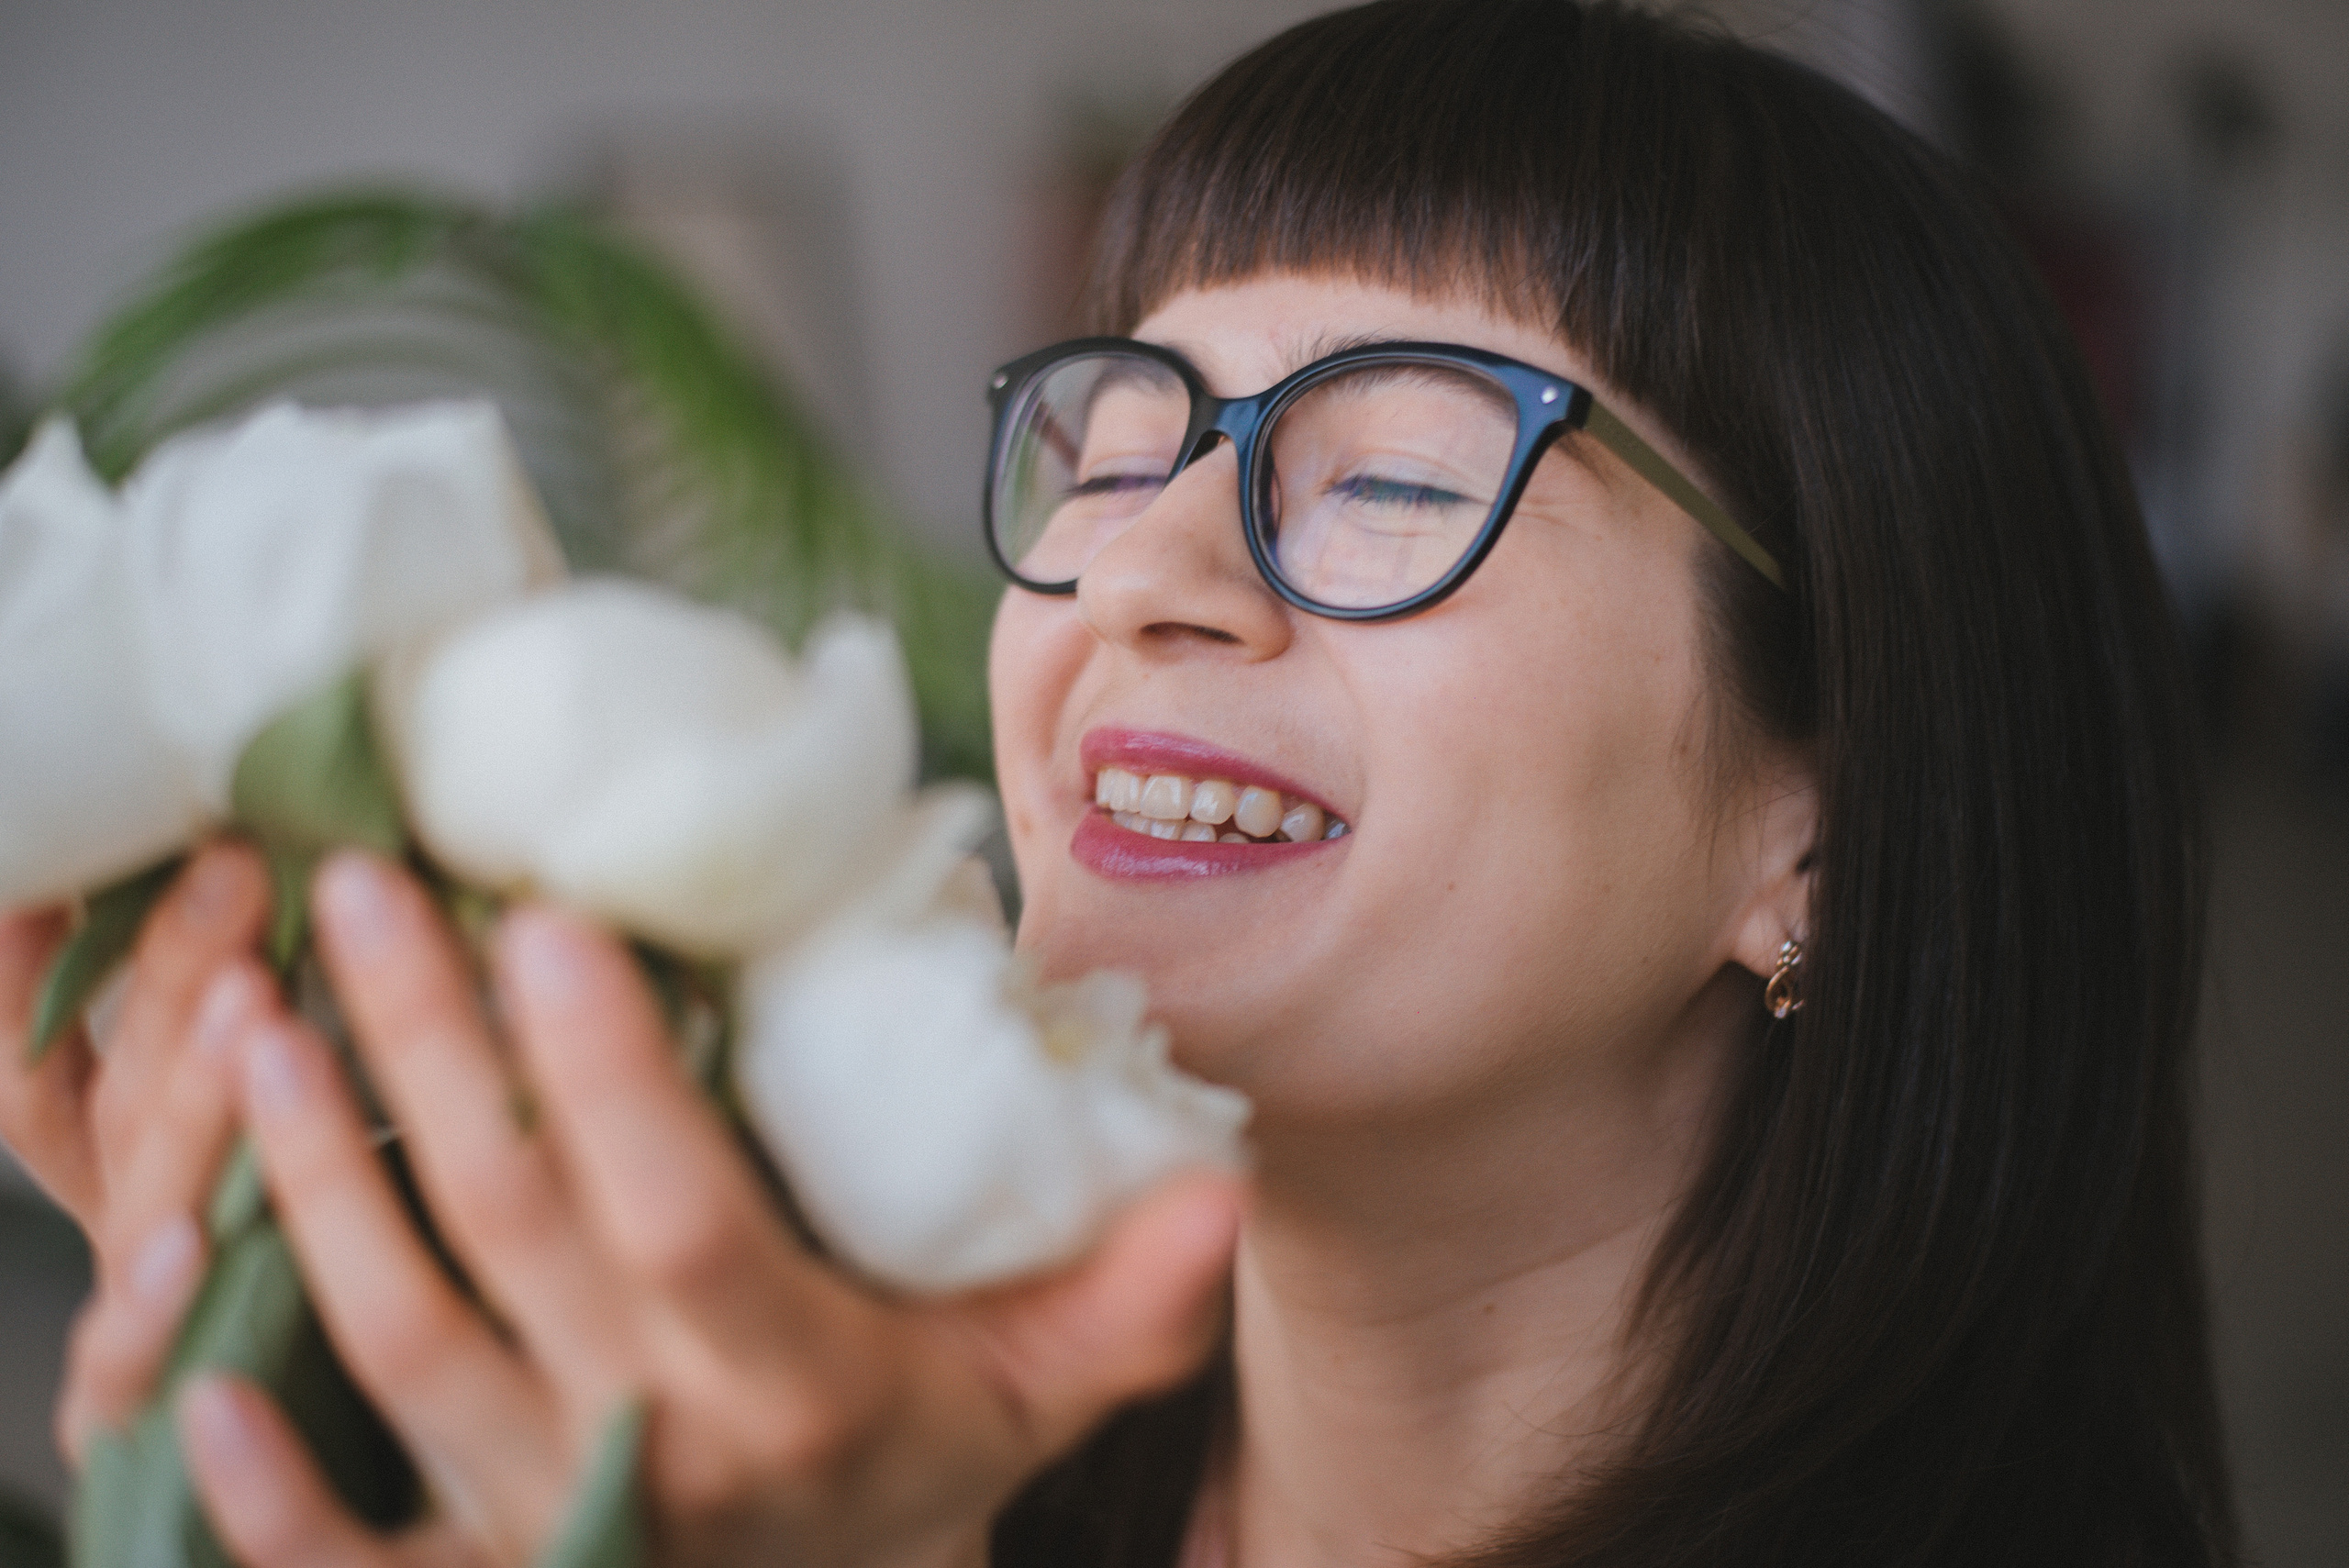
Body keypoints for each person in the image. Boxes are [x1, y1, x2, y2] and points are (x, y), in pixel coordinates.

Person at [0, 2, 2234, 1563]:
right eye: (1122, 431)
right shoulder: (819, 1415)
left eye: (1393, 477)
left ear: (1817, 820)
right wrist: (245, 1379)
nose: (1140, 570)